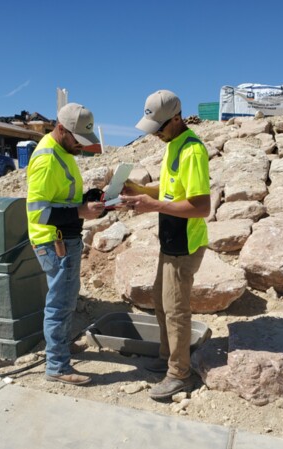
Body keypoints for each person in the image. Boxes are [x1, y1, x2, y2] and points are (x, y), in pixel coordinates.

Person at [121, 90, 211, 400]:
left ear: (176, 118)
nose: (156, 134)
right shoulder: (173, 145)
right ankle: (166, 357)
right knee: (161, 301)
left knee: (175, 310)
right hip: (171, 239)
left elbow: (201, 206)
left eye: (159, 127)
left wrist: (153, 206)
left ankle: (179, 374)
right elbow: (169, 188)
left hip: (185, 244)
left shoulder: (192, 151)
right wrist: (137, 189)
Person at [26, 103, 105, 386]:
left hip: (64, 238)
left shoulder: (63, 151)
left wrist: (87, 199)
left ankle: (59, 349)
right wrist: (81, 212)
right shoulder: (48, 159)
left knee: (67, 299)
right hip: (53, 242)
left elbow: (62, 199)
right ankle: (57, 365)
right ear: (61, 129)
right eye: (77, 140)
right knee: (60, 304)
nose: (81, 147)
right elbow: (39, 212)